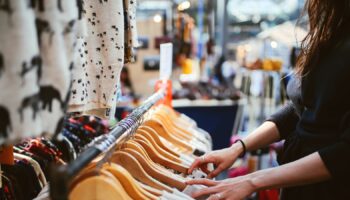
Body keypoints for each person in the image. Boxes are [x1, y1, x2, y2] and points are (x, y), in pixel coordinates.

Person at [186, 1, 350, 200]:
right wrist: (238, 148)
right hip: (299, 184)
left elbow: (344, 154)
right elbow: (302, 108)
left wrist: (252, 181)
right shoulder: (332, 31)